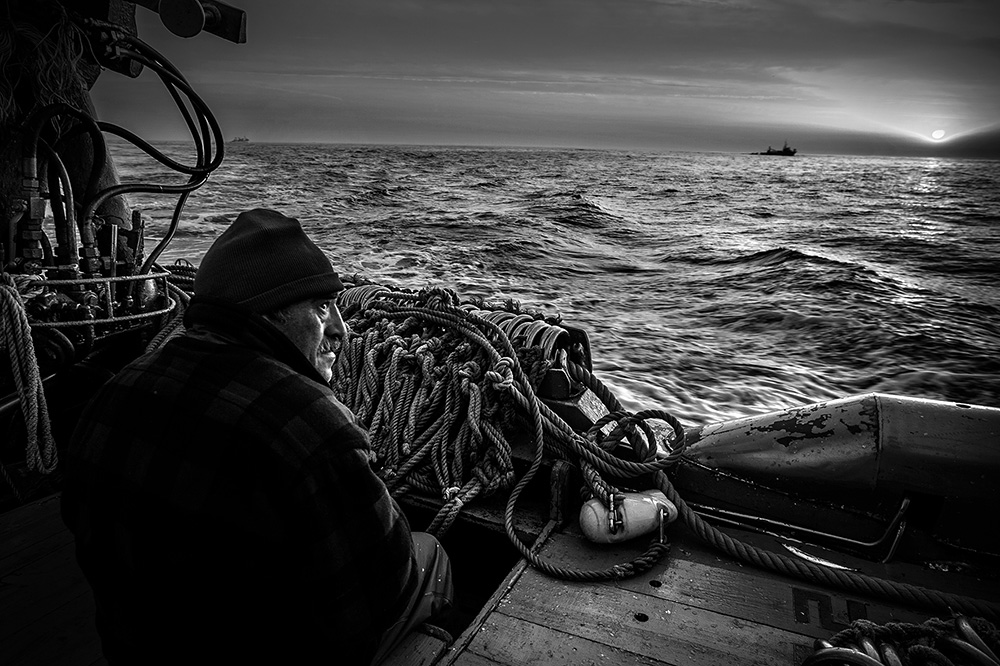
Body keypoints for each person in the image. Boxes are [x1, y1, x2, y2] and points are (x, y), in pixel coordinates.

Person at [61, 208, 453, 665]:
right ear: (268, 314)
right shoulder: (313, 427)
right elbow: (379, 593)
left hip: (135, 648)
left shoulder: (115, 391)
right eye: (321, 307)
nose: (341, 331)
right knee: (432, 558)